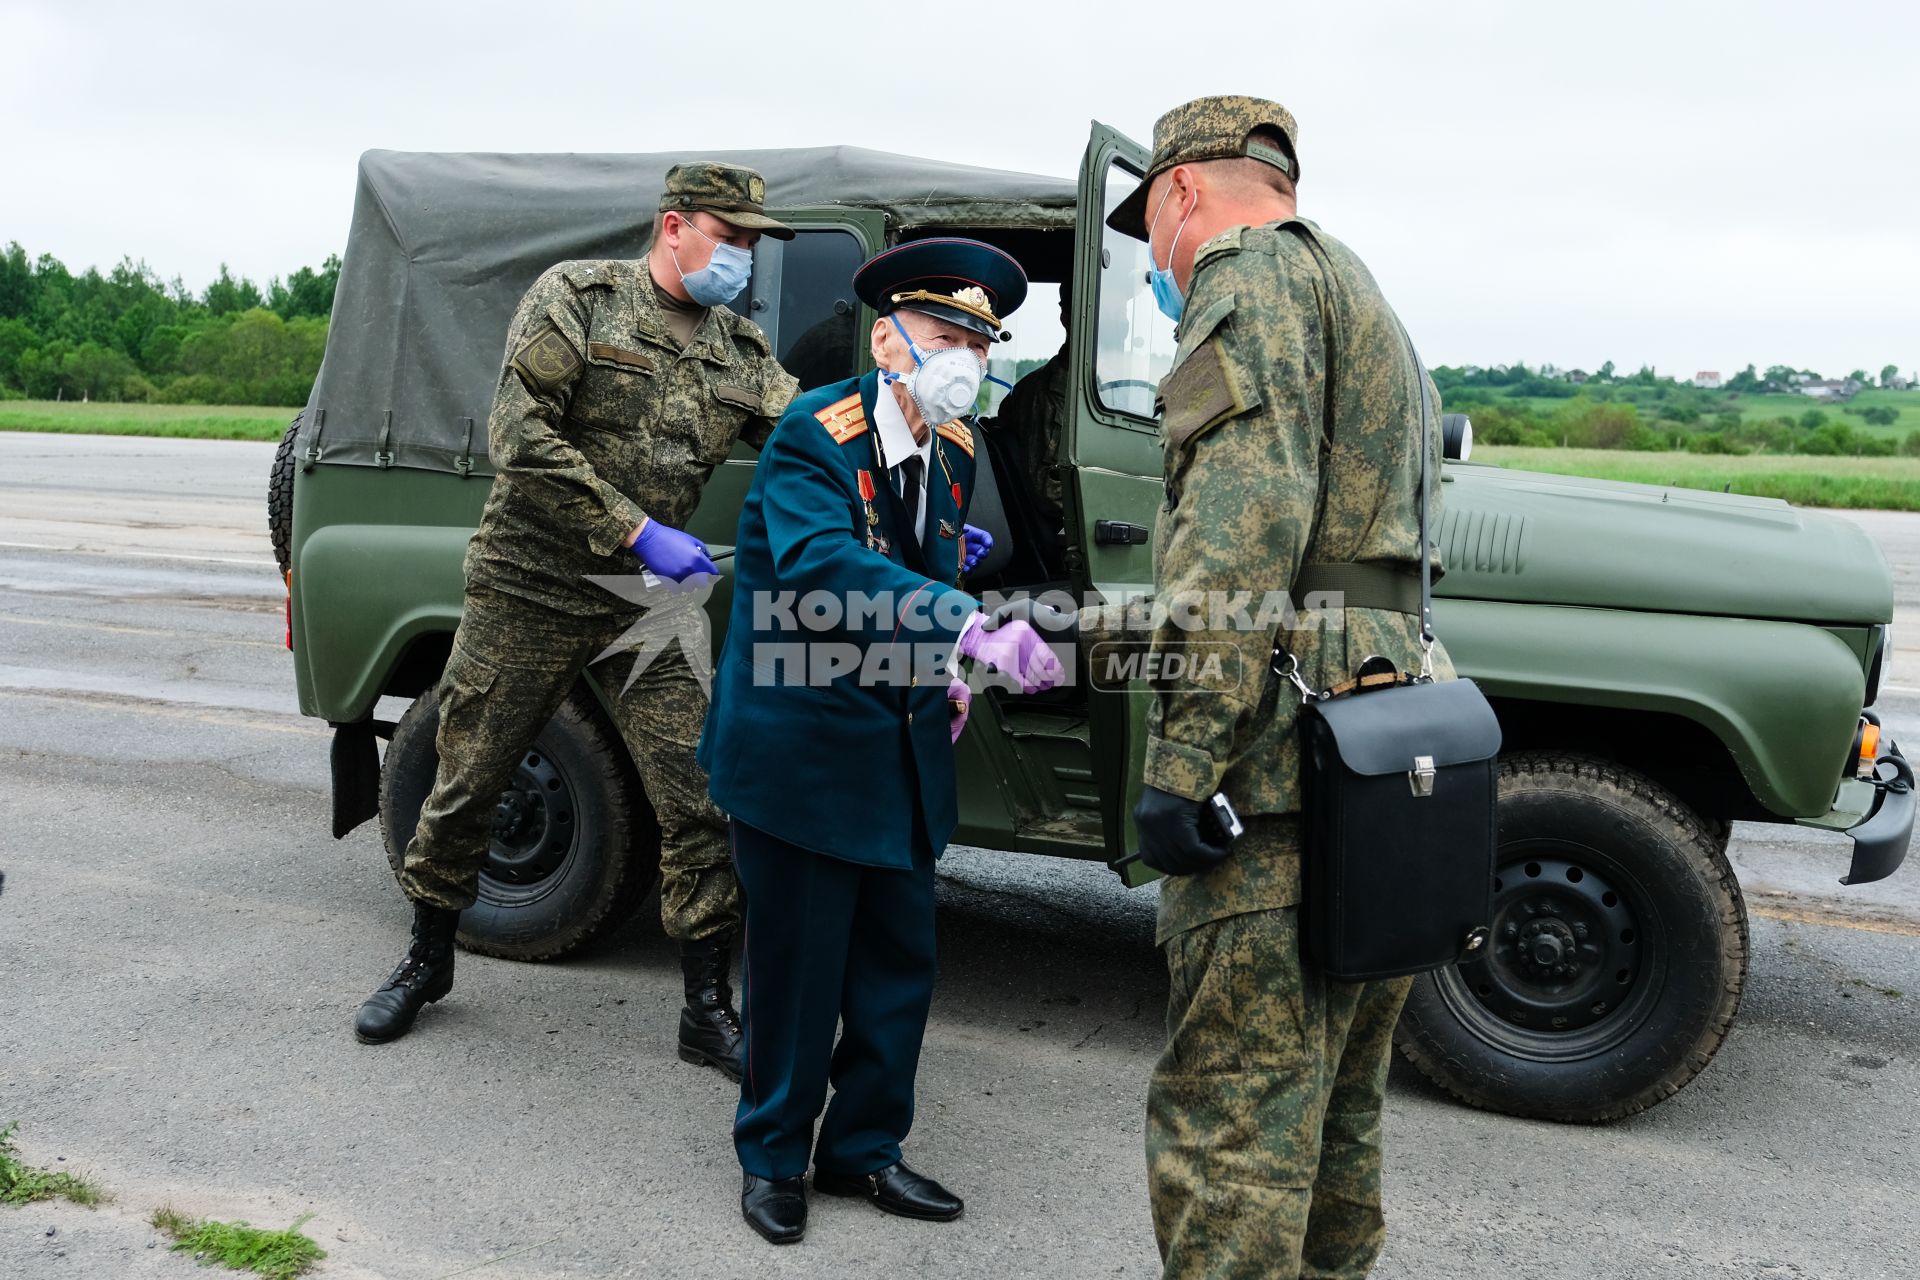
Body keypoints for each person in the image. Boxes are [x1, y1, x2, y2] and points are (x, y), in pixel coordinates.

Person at [1100, 96, 1453, 1279]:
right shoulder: (1365, 294)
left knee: (1233, 1131)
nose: (1154, 258)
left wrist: (1182, 759)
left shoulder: (1243, 276)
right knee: (1338, 1118)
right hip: (1385, 742)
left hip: (1281, 771)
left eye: (1148, 227)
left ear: (1180, 193)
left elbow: (1241, 533)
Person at [353, 163, 802, 1088]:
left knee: (699, 792)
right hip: (535, 581)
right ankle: (427, 956)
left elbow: (805, 437)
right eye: (732, 236)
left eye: (755, 242)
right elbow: (520, 435)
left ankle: (706, 1009)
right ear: (674, 227)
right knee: (472, 773)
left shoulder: (738, 349)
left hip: (650, 606)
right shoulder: (578, 299)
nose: (744, 257)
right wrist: (636, 529)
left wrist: (909, 480)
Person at [697, 238, 1067, 1246]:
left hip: (898, 752)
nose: (965, 359)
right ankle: (774, 1156)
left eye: (981, 345)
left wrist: (948, 670)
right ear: (887, 338)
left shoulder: (952, 447)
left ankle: (865, 1147)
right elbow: (822, 568)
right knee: (799, 974)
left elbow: (914, 565)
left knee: (896, 969)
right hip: (804, 751)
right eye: (947, 335)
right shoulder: (813, 437)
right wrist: (965, 624)